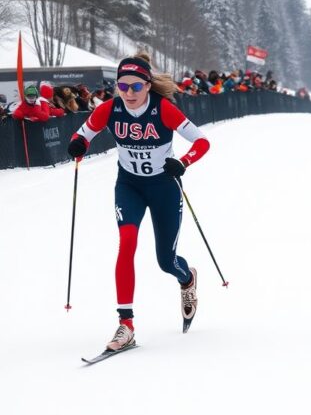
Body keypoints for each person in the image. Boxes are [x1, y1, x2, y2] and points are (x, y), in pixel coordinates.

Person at [67, 54, 211, 351]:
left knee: (165, 261)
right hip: (129, 186)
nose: (129, 93)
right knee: (127, 241)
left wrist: (183, 162)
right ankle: (126, 324)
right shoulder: (110, 108)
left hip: (164, 189)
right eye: (122, 86)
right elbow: (82, 134)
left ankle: (187, 279)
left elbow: (202, 142)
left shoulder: (164, 110)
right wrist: (78, 144)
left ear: (148, 85)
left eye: (135, 86)